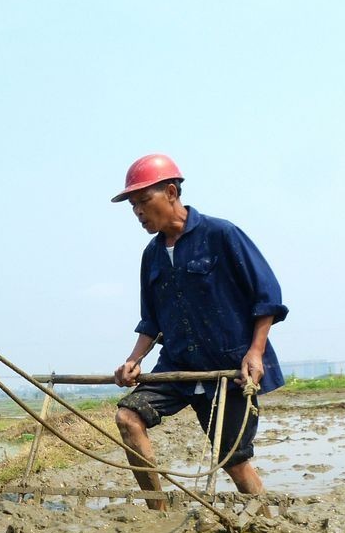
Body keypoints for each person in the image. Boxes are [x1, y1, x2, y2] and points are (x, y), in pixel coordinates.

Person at [110, 154, 287, 509]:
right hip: (177, 365)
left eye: (144, 202)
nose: (139, 213)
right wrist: (133, 359)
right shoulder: (152, 255)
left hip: (227, 368)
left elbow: (267, 298)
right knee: (128, 418)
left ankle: (268, 520)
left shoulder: (221, 235)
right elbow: (151, 320)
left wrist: (255, 352)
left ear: (171, 192)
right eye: (133, 206)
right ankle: (157, 509)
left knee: (234, 462)